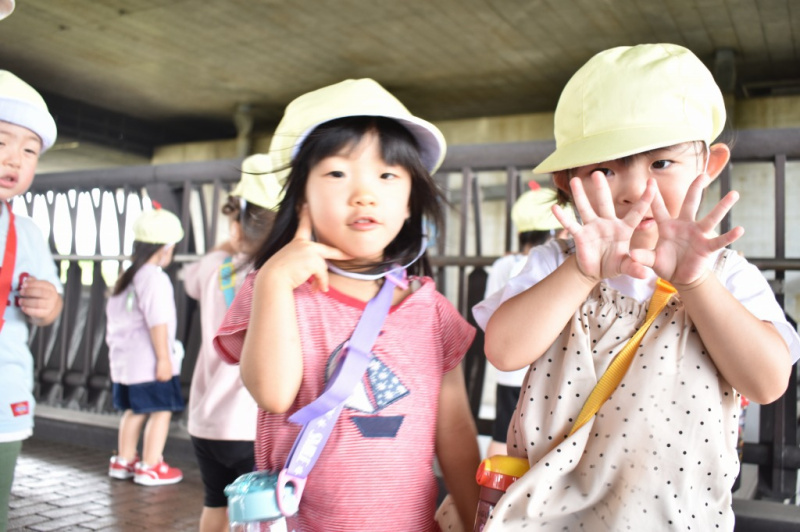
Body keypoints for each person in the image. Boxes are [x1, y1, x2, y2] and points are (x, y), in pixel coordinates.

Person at [473, 43, 800, 530]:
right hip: (549, 516)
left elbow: (768, 383)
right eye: (604, 169)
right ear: (566, 180)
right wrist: (582, 273)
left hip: (677, 517)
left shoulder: (726, 273)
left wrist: (696, 282)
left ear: (709, 166)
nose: (633, 189)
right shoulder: (556, 263)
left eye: (660, 164)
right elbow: (503, 351)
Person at [214, 78, 481, 531]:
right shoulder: (275, 290)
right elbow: (273, 394)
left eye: (387, 175)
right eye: (337, 173)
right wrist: (275, 280)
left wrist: (479, 521)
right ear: (301, 195)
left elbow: (454, 433)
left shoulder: (432, 310)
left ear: (410, 202)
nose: (364, 194)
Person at [183, 153, 279, 532]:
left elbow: (191, 280)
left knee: (215, 505)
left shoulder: (213, 268)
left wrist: (231, 239)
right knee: (254, 517)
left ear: (236, 226)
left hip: (205, 423)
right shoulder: (278, 279)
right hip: (250, 427)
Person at [0, 70, 64, 531]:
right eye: (2, 142)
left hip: (4, 395)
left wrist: (48, 305)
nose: (14, 159)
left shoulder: (29, 233)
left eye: (29, 151)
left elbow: (51, 305)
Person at [483, 182, 572, 458]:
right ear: (556, 231)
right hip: (534, 369)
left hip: (506, 372)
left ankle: (488, 484)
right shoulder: (549, 265)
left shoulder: (502, 264)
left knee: (502, 433)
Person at [105, 204, 186, 486]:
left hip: (125, 364)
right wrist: (164, 359)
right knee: (161, 411)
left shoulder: (126, 277)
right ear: (165, 248)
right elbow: (158, 322)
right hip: (150, 362)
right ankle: (151, 466)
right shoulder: (155, 278)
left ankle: (124, 460)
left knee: (134, 411)